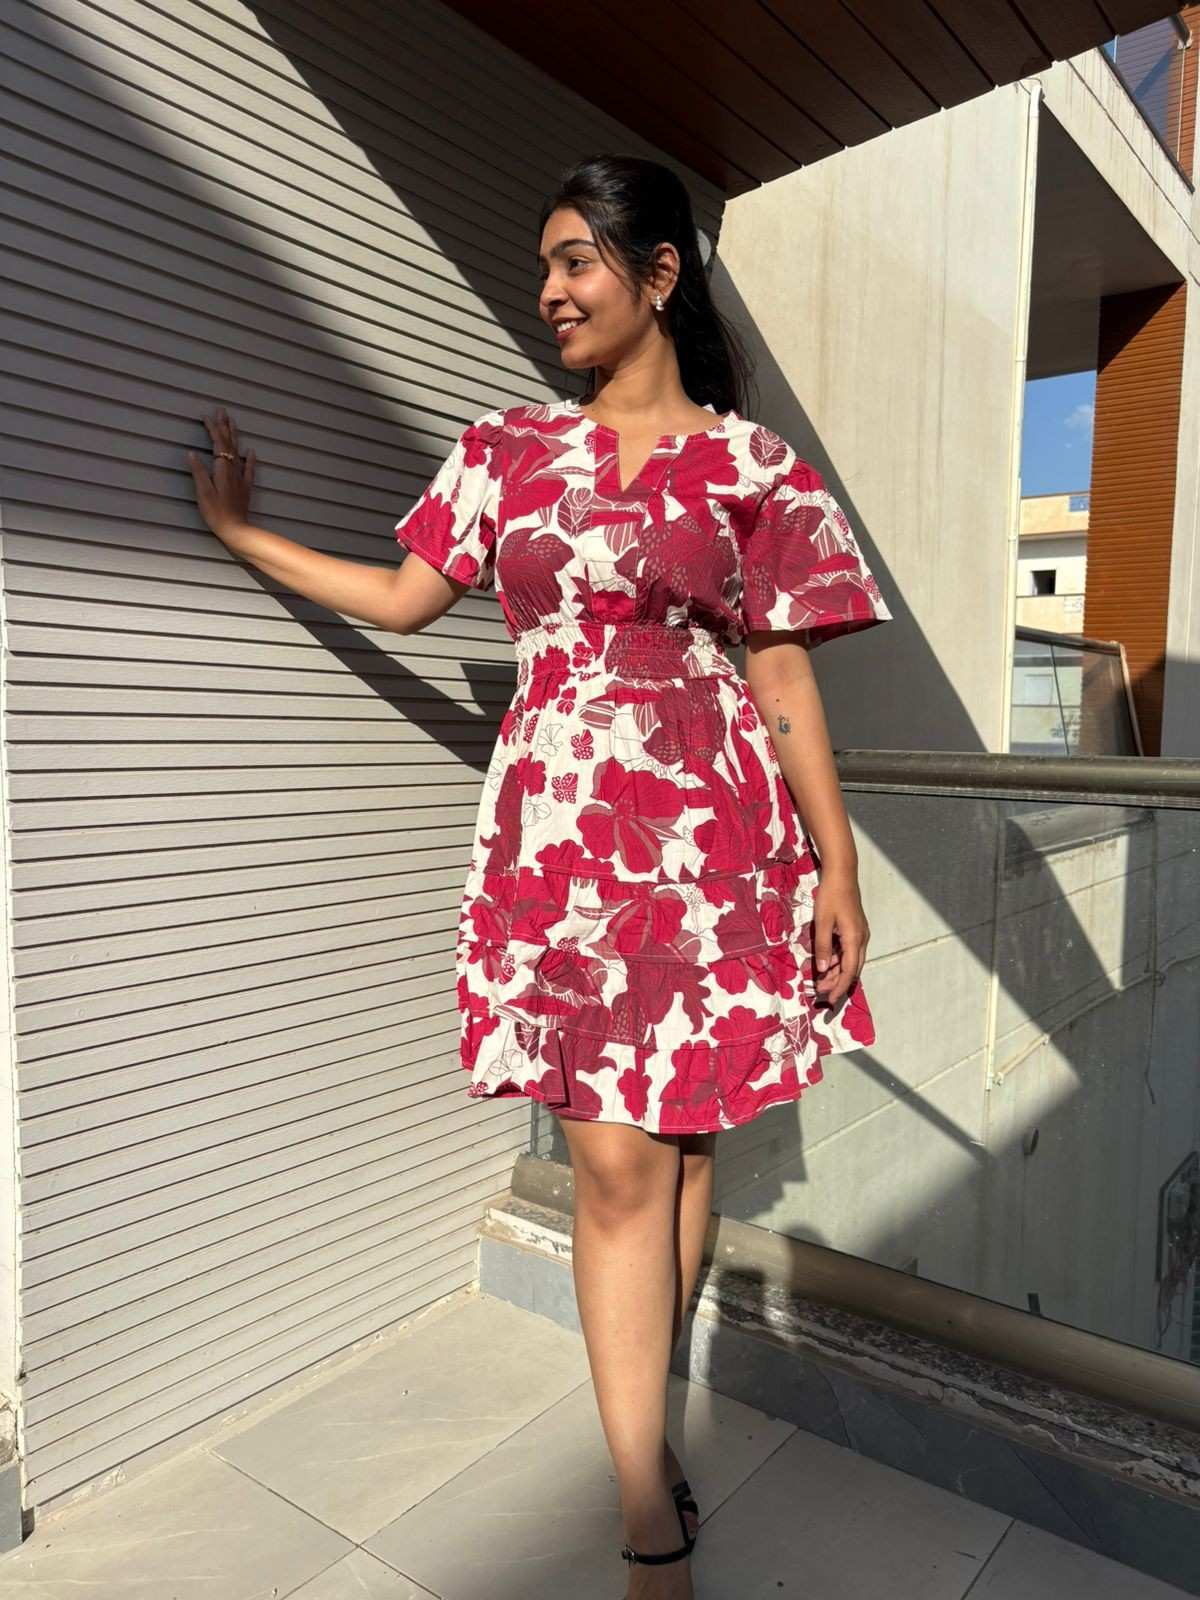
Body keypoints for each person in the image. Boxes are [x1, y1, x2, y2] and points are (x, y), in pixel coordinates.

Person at [189, 153, 892, 1600]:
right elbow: (406, 598)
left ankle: (648, 1431)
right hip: (564, 840)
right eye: (545, 266)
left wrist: (839, 865)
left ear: (659, 274)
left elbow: (782, 679)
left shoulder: (755, 469)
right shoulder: (505, 450)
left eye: (578, 260)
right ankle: (645, 1507)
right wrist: (246, 536)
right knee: (616, 1167)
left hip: (715, 838)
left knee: (683, 1143)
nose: (552, 290)